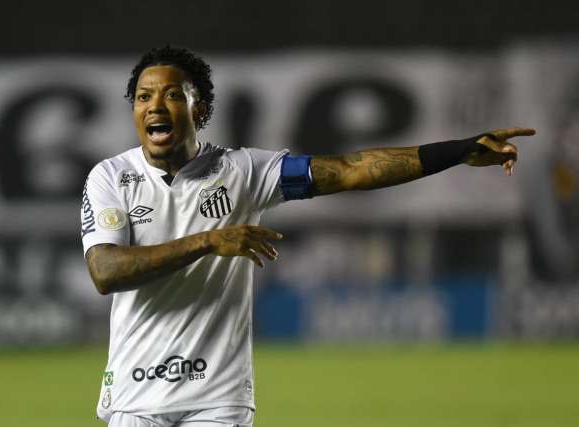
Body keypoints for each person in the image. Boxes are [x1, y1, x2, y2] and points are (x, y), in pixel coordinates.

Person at [80, 46, 535, 427]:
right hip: (137, 396)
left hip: (216, 398)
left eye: (172, 95)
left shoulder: (243, 171)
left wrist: (457, 152)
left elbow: (351, 170)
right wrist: (208, 241)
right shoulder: (111, 177)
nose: (154, 106)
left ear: (199, 108)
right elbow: (106, 272)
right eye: (143, 97)